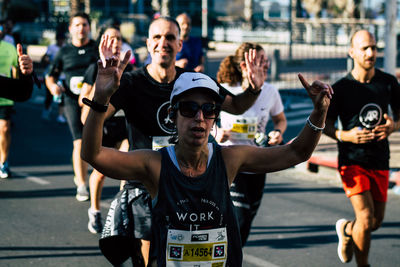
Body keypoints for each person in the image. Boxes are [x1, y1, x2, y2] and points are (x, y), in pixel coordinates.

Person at [81, 44, 332, 265]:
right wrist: (101, 98)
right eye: (189, 108)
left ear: (215, 117)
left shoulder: (228, 159)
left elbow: (297, 152)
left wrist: (319, 112)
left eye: (209, 109)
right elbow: (93, 154)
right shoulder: (155, 164)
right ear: (172, 114)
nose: (199, 118)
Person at [98, 16, 266, 266]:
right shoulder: (132, 82)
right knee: (148, 257)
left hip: (187, 183)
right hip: (146, 182)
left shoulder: (194, 83)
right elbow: (86, 116)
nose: (163, 43)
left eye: (170, 37)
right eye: (157, 37)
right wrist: (101, 90)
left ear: (180, 44)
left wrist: (253, 89)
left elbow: (237, 105)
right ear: (148, 43)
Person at [324, 30, 400, 266]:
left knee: (375, 222)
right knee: (366, 219)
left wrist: (392, 127)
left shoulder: (388, 83)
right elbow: (323, 124)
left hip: (379, 159)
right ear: (352, 52)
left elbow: (399, 117)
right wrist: (343, 135)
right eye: (365, 48)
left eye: (374, 48)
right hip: (352, 159)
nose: (370, 53)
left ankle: (347, 229)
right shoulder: (342, 87)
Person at [216, 42, 287, 246]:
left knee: (246, 224)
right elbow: (207, 119)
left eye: (265, 60)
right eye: (258, 60)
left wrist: (277, 133)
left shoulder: (271, 92)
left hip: (258, 163)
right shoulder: (227, 91)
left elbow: (280, 120)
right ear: (243, 65)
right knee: (238, 219)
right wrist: (217, 132)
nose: (263, 65)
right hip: (231, 162)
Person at [79, 26, 131, 234]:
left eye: (118, 38)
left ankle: (122, 211)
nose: (115, 42)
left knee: (127, 171)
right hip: (104, 127)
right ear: (102, 41)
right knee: (100, 174)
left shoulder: (130, 67)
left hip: (125, 126)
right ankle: (95, 210)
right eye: (110, 38)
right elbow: (84, 109)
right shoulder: (95, 68)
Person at [45, 12, 98, 201]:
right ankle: (82, 185)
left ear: (89, 28)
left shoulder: (96, 49)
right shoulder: (64, 51)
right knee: (79, 143)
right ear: (70, 29)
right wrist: (53, 87)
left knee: (95, 144)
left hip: (94, 101)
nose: (81, 28)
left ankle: (82, 168)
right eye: (77, 25)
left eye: (84, 24)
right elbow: (50, 75)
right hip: (71, 100)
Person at [0, 23, 19, 179]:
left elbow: (15, 68)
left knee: (5, 128)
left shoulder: (9, 47)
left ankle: (3, 162)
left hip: (5, 96)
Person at [41, 31, 67, 123]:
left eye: (62, 39)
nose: (61, 41)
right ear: (57, 39)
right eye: (60, 39)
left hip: (62, 76)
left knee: (62, 96)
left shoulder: (65, 48)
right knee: (49, 95)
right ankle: (46, 111)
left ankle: (60, 115)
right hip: (51, 75)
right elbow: (45, 58)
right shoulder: (51, 47)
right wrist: (50, 62)